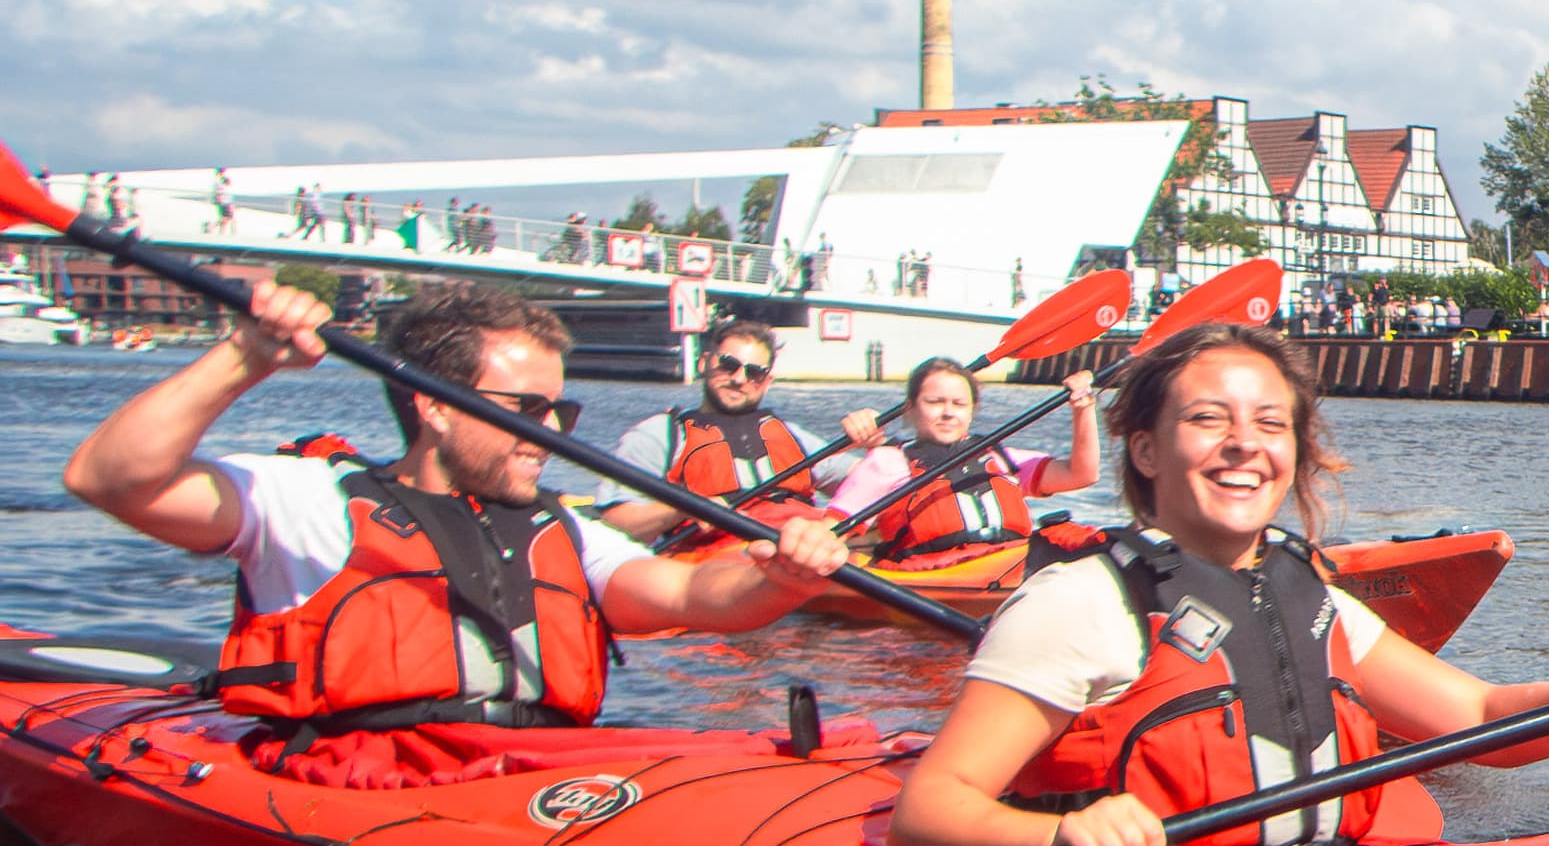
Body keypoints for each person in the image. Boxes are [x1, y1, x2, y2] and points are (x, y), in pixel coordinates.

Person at [889, 323, 1549, 846]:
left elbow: (1479, 716)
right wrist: (1064, 832)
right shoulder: (1084, 602)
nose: (1245, 443)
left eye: (1271, 423)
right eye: (1208, 419)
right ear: (1146, 450)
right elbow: (926, 818)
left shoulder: (1309, 593)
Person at [59, 279, 852, 776]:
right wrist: (245, 357)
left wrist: (779, 575)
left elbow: (691, 591)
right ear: (436, 406)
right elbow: (110, 478)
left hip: (537, 774)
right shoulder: (309, 502)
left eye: (560, 411)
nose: (552, 433)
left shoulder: (562, 530)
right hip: (362, 782)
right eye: (526, 411)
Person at [602, 318, 878, 542]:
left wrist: (875, 443)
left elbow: (874, 486)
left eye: (754, 372)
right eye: (728, 365)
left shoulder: (793, 435)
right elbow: (614, 526)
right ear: (704, 363)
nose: (738, 379)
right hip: (718, 563)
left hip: (804, 544)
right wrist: (680, 509)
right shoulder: (659, 435)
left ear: (766, 381)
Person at [828, 357, 1101, 553]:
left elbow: (1082, 474)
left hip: (1009, 565)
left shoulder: (1004, 458)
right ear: (909, 409)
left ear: (972, 410)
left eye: (959, 404)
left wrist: (1083, 409)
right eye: (934, 402)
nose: (948, 412)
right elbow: (829, 535)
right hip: (930, 576)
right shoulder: (886, 461)